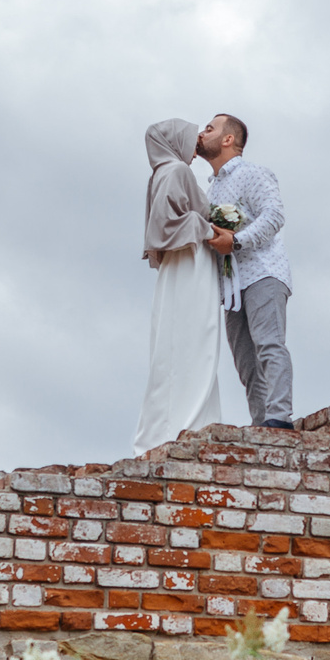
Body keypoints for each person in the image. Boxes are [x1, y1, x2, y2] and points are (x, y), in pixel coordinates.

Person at [197, 112, 293, 429]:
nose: (201, 133)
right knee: (246, 362)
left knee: (268, 344)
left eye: (209, 129)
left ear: (228, 139)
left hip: (263, 273)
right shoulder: (210, 192)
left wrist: (236, 242)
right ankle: (261, 424)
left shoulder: (252, 173)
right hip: (232, 286)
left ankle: (279, 419)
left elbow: (274, 215)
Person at [133, 118, 223, 452]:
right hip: (189, 260)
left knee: (178, 338)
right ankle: (189, 422)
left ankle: (177, 421)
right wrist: (209, 227)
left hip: (180, 263)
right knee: (195, 334)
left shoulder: (160, 173)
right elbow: (166, 225)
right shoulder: (176, 171)